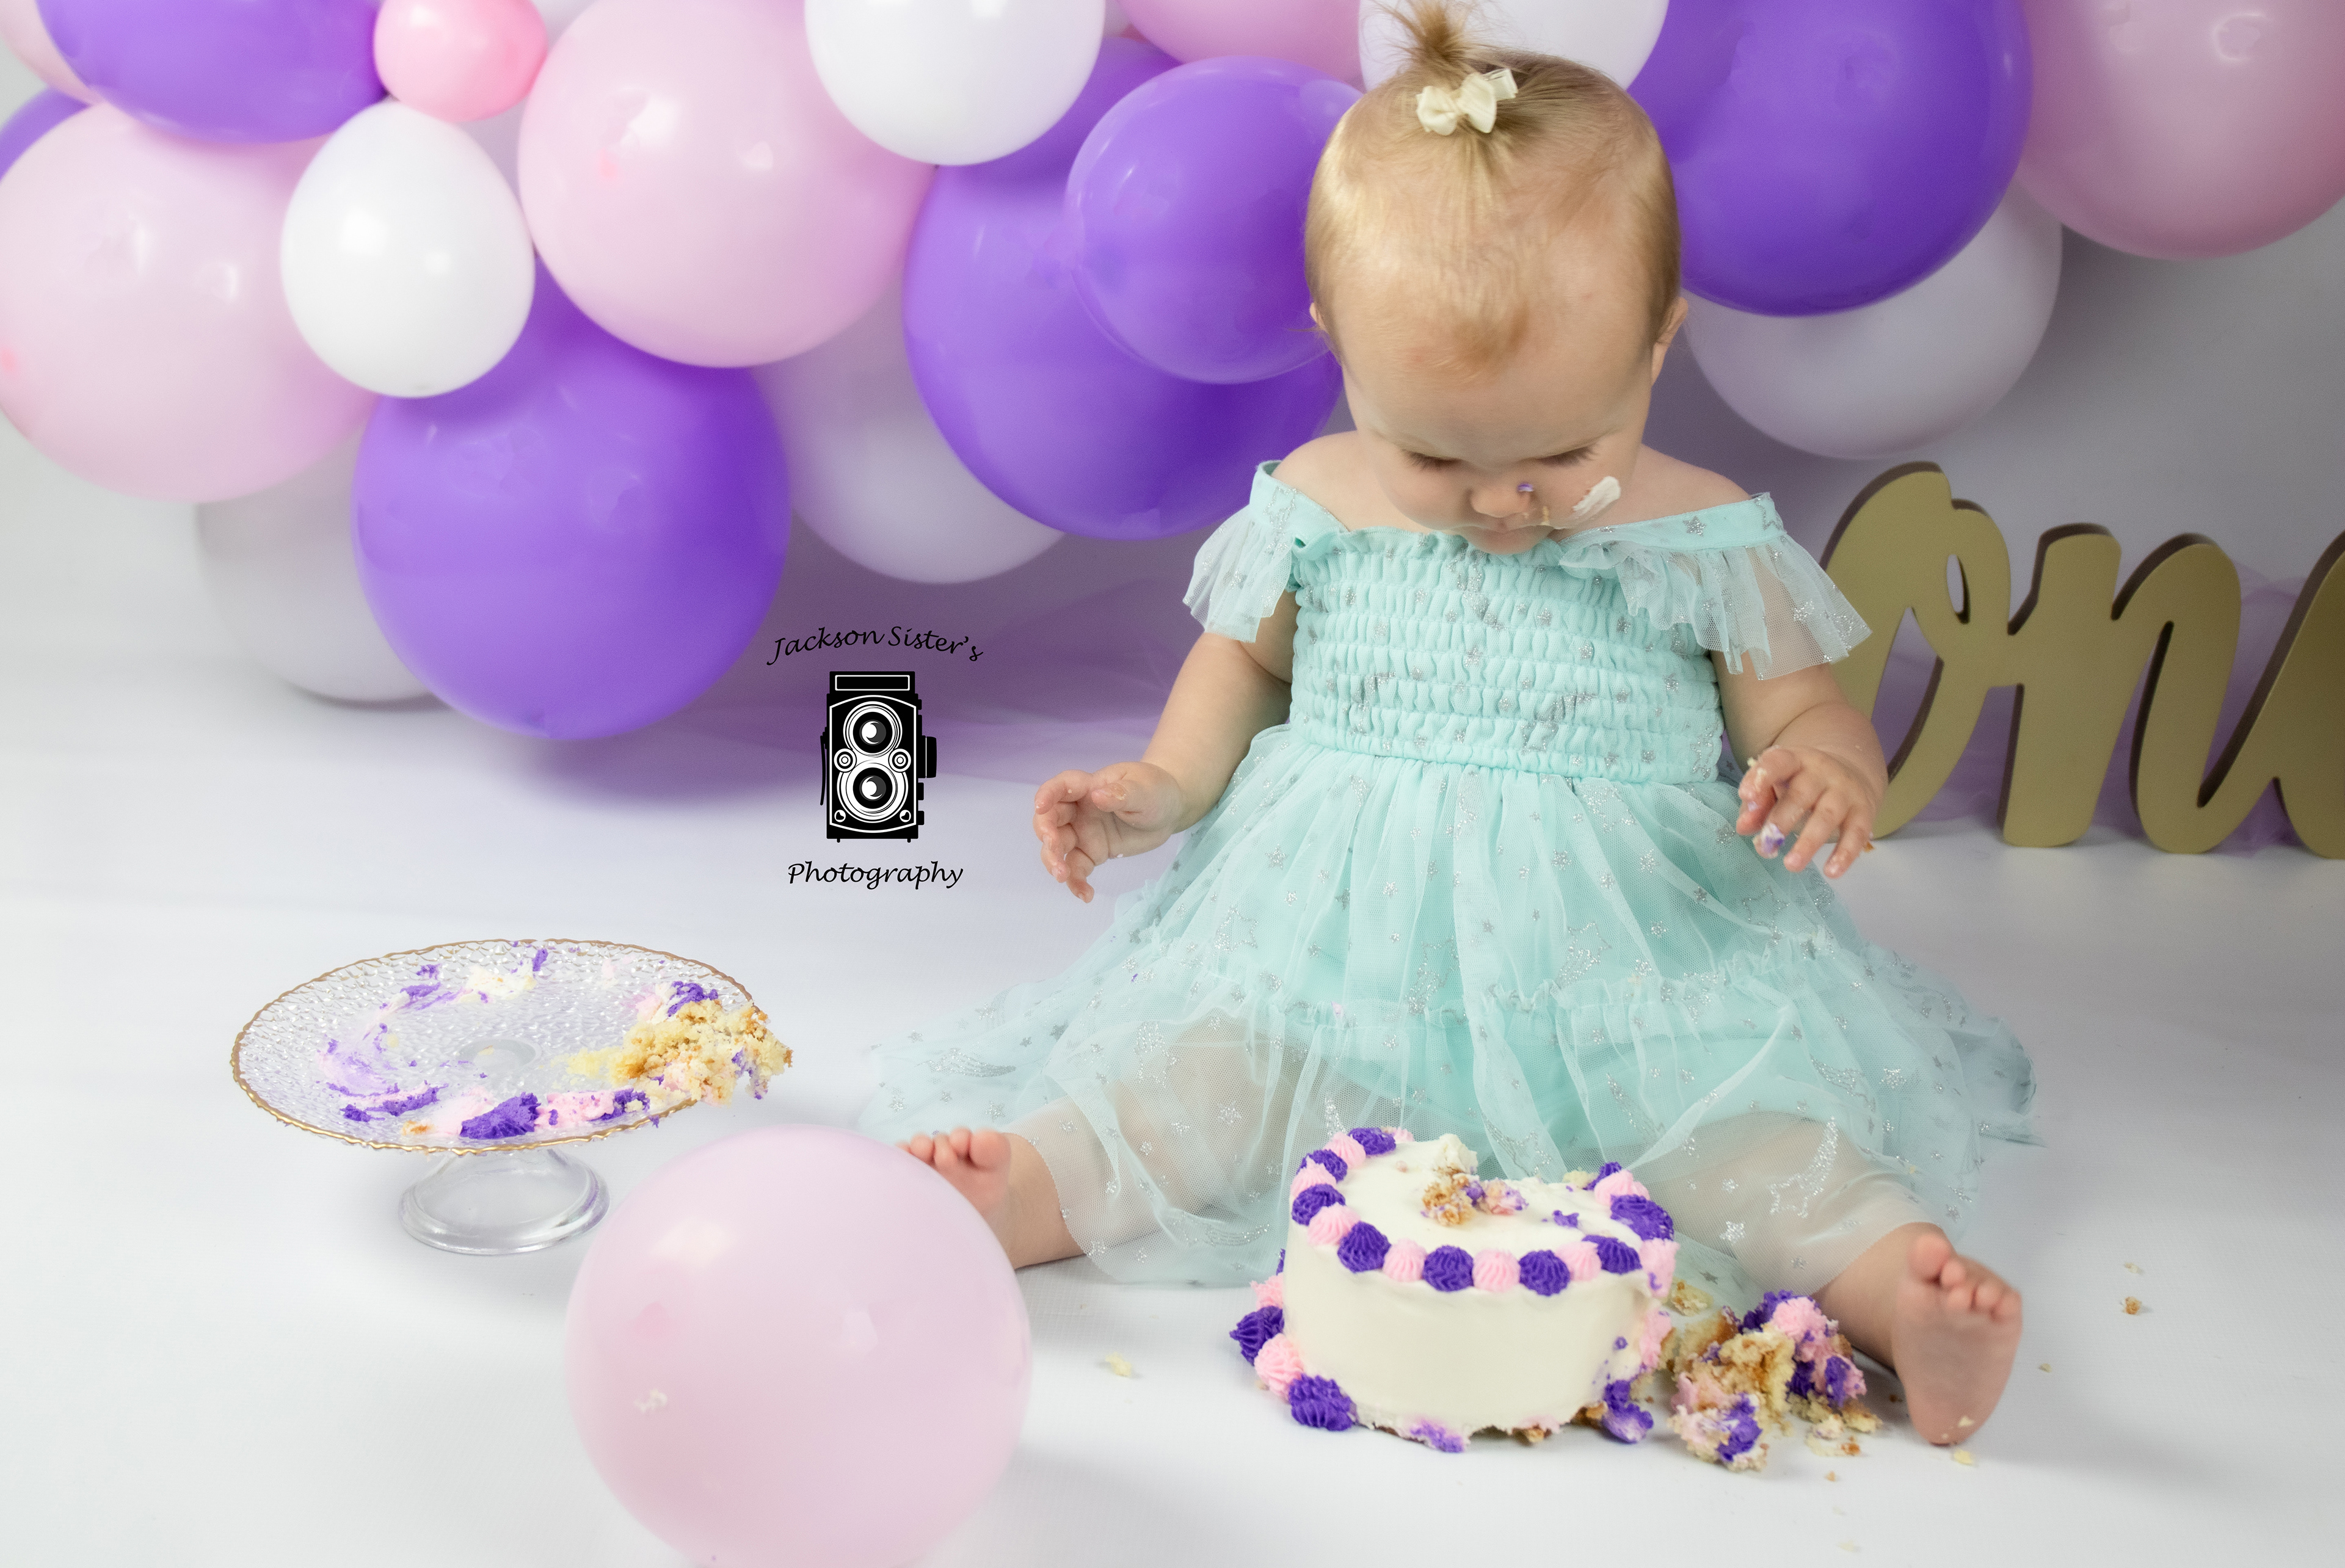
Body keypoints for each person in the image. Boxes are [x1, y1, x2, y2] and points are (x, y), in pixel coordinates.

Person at [860, 1, 2034, 1444]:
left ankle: (1891, 1285)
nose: (1500, 500)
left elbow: (1799, 701)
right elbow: (1244, 668)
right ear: (1338, 351)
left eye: (1563, 451)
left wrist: (1827, 763)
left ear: (1658, 343)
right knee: (1205, 1079)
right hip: (1337, 953)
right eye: (1434, 453)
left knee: (1743, 1134)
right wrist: (1161, 785)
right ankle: (1032, 1186)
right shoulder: (1318, 498)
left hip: (1627, 963)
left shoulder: (1702, 530)